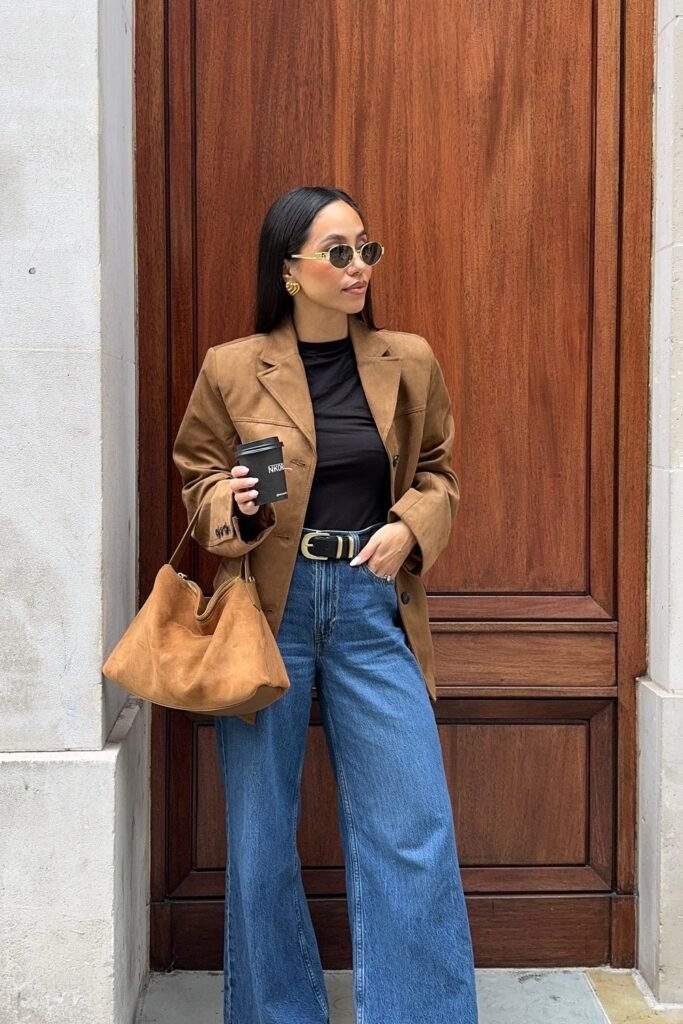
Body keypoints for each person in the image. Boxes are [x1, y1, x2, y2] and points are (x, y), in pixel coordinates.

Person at [172, 186, 479, 1024]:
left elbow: (440, 473)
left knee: (411, 829)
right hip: (268, 612)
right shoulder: (232, 366)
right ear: (290, 270)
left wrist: (410, 527)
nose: (357, 268)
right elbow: (197, 481)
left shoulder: (406, 359)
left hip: (372, 604)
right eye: (337, 252)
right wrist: (229, 505)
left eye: (365, 249)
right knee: (262, 839)